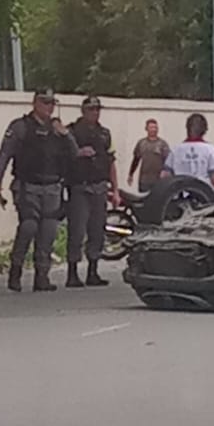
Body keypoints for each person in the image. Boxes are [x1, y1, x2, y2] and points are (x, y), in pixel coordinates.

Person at [0, 87, 76, 294]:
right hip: (27, 186)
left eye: (52, 103)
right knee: (28, 226)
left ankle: (42, 276)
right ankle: (16, 269)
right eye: (45, 102)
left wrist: (66, 135)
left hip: (52, 187)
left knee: (48, 232)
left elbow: (74, 153)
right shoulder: (21, 127)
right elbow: (5, 153)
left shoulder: (57, 129)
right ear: (35, 103)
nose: (49, 107)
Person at [66, 95, 118, 288]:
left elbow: (111, 162)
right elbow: (62, 156)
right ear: (83, 111)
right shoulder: (72, 132)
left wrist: (115, 189)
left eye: (97, 109)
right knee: (77, 230)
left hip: (99, 186)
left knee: (97, 230)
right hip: (80, 186)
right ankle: (72, 272)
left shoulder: (105, 134)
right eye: (91, 109)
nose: (95, 113)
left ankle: (93, 271)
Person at [165, 112, 214, 192]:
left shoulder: (175, 150)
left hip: (180, 193)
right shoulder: (209, 149)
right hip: (203, 194)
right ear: (204, 130)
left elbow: (165, 176)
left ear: (187, 129)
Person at [128, 117, 169, 192]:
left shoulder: (163, 144)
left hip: (159, 181)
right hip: (144, 181)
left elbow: (168, 161)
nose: (154, 129)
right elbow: (136, 160)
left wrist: (165, 172)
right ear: (146, 129)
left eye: (155, 127)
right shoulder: (141, 143)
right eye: (151, 127)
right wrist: (131, 174)